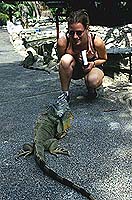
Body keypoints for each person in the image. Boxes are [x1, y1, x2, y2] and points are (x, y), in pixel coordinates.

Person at [57, 9, 107, 102]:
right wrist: (74, 56)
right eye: (71, 32)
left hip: (92, 67)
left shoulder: (96, 41)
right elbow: (61, 63)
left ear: (87, 28)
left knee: (92, 80)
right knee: (65, 60)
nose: (75, 37)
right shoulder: (63, 42)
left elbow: (104, 59)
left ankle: (91, 89)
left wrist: (93, 63)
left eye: (79, 32)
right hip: (75, 69)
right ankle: (65, 94)